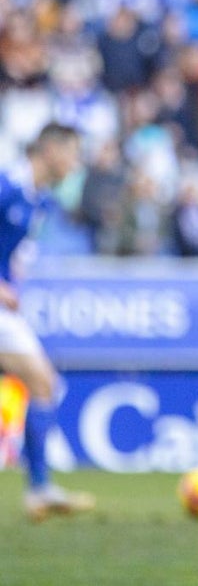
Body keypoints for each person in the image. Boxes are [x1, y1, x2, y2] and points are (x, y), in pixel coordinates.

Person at [0, 122, 95, 521]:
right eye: (72, 153)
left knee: (43, 384)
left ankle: (40, 490)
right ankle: (38, 489)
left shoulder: (42, 201)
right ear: (50, 149)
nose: (76, 164)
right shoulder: (7, 185)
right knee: (42, 382)